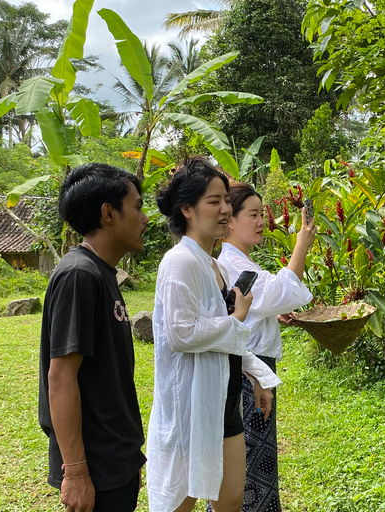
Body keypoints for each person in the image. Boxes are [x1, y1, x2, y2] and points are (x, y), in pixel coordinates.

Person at [147, 157, 282, 512]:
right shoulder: (180, 262)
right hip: (193, 405)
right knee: (180, 501)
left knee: (231, 499)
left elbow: (225, 335)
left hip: (223, 400)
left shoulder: (213, 264)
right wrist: (237, 317)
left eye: (225, 200)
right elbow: (181, 333)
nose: (225, 209)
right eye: (214, 201)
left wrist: (257, 375)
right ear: (187, 208)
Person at [38, 163, 149, 512]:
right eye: (137, 206)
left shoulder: (101, 272)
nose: (144, 218)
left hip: (114, 461)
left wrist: (128, 461)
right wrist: (76, 473)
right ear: (108, 213)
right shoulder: (79, 275)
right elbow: (60, 377)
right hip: (95, 467)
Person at [215, 182, 316, 512]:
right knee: (251, 461)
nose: (261, 222)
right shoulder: (234, 264)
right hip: (249, 371)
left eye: (262, 214)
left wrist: (272, 315)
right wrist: (302, 245)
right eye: (253, 214)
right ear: (230, 220)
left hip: (254, 367)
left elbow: (260, 305)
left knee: (253, 458)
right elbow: (278, 292)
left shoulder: (237, 261)